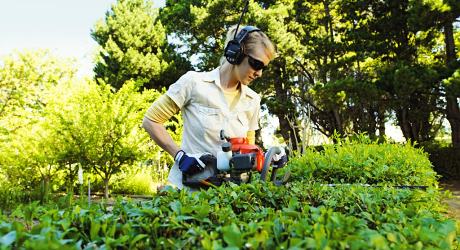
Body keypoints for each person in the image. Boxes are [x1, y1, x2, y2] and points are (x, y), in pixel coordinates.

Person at [142, 25, 276, 189]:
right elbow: (151, 121)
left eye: (264, 67)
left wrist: (269, 158)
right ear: (235, 53)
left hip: (228, 196)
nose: (259, 73)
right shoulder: (193, 83)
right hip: (186, 191)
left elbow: (248, 148)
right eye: (256, 64)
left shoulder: (252, 100)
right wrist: (180, 157)